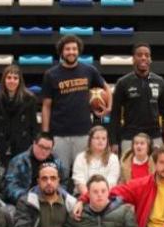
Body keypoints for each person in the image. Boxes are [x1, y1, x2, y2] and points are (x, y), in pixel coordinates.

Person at [41, 35, 111, 180]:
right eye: (67, 49)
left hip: (84, 134)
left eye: (74, 49)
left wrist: (108, 107)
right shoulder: (51, 74)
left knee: (84, 176)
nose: (71, 52)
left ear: (79, 51)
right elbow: (46, 106)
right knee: (60, 175)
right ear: (61, 52)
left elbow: (107, 88)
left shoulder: (89, 71)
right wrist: (45, 133)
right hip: (59, 135)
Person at [108, 43, 164, 155]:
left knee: (156, 171)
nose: (143, 58)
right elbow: (115, 114)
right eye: (139, 55)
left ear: (150, 59)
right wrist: (114, 142)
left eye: (147, 55)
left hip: (154, 136)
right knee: (128, 172)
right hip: (130, 136)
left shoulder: (160, 81)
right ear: (133, 59)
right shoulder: (123, 82)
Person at [0, 65, 39, 166]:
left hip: (23, 146)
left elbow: (34, 126)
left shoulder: (30, 99)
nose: (12, 81)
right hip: (1, 146)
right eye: (9, 77)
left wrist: (33, 146)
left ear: (20, 81)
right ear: (4, 80)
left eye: (15, 78)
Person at [4, 132, 63, 205]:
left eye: (47, 148)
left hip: (50, 199)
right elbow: (9, 187)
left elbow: (63, 182)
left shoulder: (56, 161)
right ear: (34, 143)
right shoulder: (18, 161)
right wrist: (28, 198)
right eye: (41, 146)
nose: (44, 151)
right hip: (25, 201)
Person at [71, 126, 120, 195]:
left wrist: (100, 196)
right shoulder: (80, 157)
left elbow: (111, 182)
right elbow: (79, 181)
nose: (101, 141)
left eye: (104, 138)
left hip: (105, 196)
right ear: (90, 140)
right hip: (83, 195)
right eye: (97, 138)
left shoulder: (113, 158)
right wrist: (89, 198)